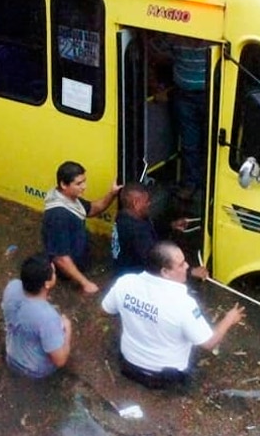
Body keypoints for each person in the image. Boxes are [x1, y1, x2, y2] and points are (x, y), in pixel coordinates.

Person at [101, 241, 245, 390]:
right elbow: (209, 343)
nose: (187, 266)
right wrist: (229, 319)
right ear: (165, 272)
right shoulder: (183, 304)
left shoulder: (125, 283)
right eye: (181, 265)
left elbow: (105, 310)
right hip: (163, 377)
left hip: (128, 363)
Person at [42, 161, 121, 295]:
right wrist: (86, 283)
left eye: (84, 181)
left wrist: (112, 193)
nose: (84, 187)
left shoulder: (69, 198)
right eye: (79, 184)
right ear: (63, 184)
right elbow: (60, 258)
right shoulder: (58, 216)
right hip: (67, 272)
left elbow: (93, 209)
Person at [151, 34, 210, 199]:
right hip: (184, 96)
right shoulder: (175, 37)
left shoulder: (214, 39)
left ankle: (208, 183)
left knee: (210, 141)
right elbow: (154, 52)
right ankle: (191, 184)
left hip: (210, 95)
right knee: (189, 143)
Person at [111, 182, 208, 280]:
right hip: (135, 278)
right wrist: (190, 271)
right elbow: (155, 260)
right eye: (147, 201)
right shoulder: (136, 231)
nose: (150, 203)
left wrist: (171, 226)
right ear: (136, 203)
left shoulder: (124, 216)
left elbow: (151, 228)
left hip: (124, 268)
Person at [1, 253, 72, 379]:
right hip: (35, 370)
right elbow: (60, 361)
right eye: (54, 273)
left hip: (11, 355)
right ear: (47, 284)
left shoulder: (12, 286)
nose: (55, 274)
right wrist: (68, 330)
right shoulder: (48, 317)